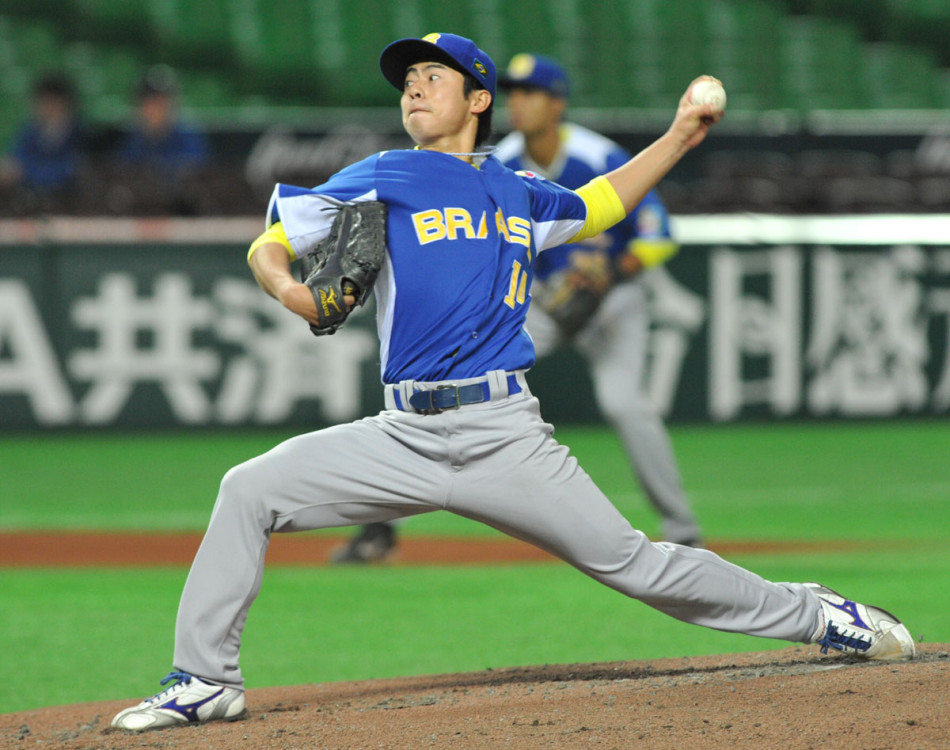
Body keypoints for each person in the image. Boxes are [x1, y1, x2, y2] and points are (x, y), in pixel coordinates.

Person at [111, 32, 915, 732]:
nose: (414, 86)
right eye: (406, 80)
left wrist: (678, 136)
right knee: (249, 489)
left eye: (434, 75)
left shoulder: (515, 189)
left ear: (478, 97)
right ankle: (208, 680)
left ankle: (819, 614)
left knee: (638, 565)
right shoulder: (385, 173)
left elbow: (600, 204)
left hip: (505, 436)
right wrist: (289, 288)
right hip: (403, 434)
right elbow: (272, 241)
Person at [331, 53, 702, 563]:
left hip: (614, 304)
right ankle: (380, 527)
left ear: (558, 103)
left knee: (625, 404)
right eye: (516, 92)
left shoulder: (598, 155)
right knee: (444, 374)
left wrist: (613, 271)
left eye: (533, 92)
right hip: (538, 305)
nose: (520, 102)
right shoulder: (497, 164)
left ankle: (683, 529)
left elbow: (657, 235)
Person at [109, 64, 210, 215]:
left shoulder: (189, 137)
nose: (154, 109)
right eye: (149, 102)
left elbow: (197, 176)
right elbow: (122, 177)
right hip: (140, 212)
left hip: (184, 214)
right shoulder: (133, 140)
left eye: (160, 102)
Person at [0, 71, 86, 214]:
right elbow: (15, 160)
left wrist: (26, 172)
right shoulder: (30, 132)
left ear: (62, 102)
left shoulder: (81, 135)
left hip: (70, 205)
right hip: (30, 204)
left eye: (48, 101)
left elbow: (75, 170)